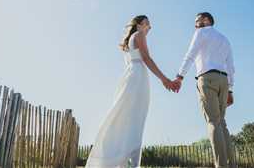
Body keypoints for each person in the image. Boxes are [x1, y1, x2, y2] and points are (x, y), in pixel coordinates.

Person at [85, 15, 179, 168]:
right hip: (138, 78)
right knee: (136, 120)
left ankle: (120, 160)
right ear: (138, 25)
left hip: (130, 77)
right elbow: (147, 58)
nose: (149, 27)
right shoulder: (139, 35)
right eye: (146, 24)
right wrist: (165, 79)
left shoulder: (129, 42)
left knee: (125, 118)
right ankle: (131, 164)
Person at [173, 12, 236, 168]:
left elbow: (190, 54)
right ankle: (232, 165)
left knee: (213, 121)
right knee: (222, 123)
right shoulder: (224, 39)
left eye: (198, 21)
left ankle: (220, 165)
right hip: (223, 80)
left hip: (207, 78)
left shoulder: (200, 33)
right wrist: (230, 89)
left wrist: (180, 76)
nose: (195, 24)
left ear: (207, 20)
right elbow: (231, 67)